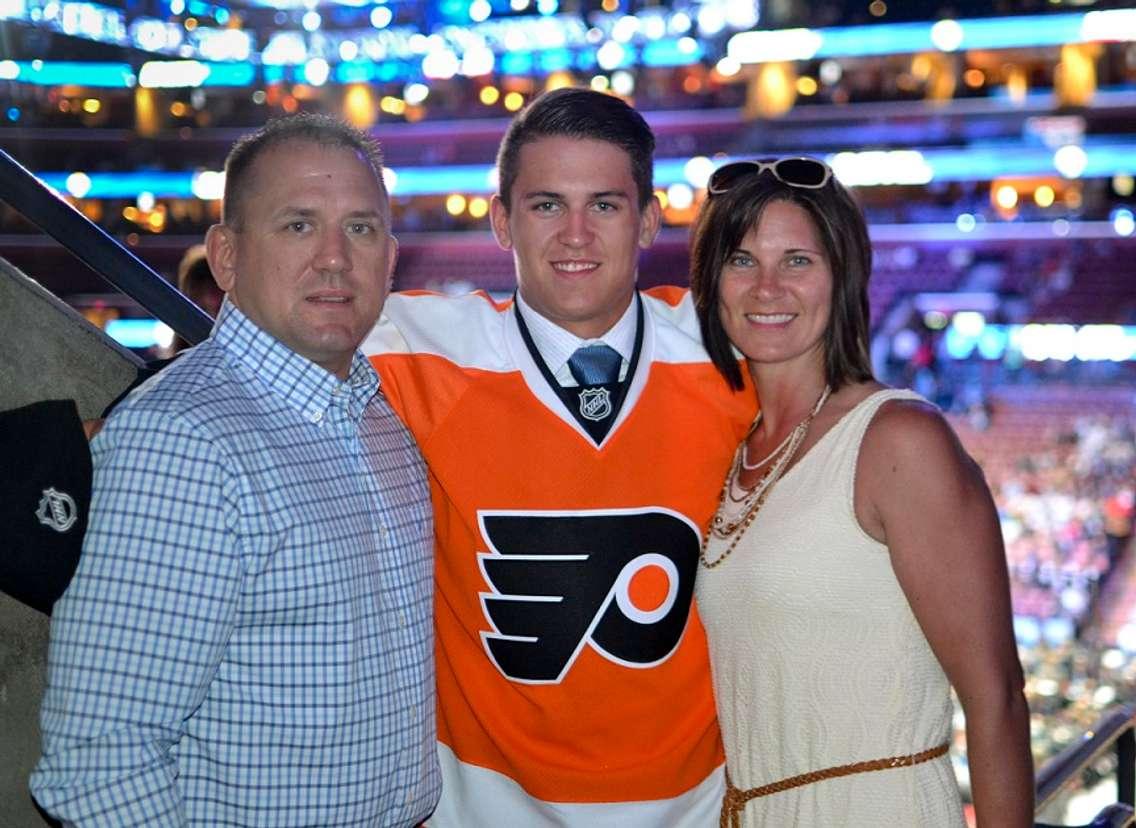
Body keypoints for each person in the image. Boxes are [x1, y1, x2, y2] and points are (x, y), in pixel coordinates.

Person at [29, 113, 441, 826]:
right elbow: (99, 761)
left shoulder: (378, 422)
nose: (336, 259)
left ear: (391, 257)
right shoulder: (184, 443)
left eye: (362, 228)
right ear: (225, 256)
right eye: (298, 226)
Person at [361, 87, 754, 824]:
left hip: (699, 807)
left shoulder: (734, 347)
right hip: (481, 810)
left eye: (604, 205)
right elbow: (268, 345)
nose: (575, 235)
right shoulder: (412, 345)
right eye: (546, 205)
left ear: (647, 221)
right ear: (501, 221)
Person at [688, 157, 1032, 826]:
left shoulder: (898, 439)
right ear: (711, 283)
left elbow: (996, 699)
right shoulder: (740, 452)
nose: (766, 287)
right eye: (740, 261)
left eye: (797, 261)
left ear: (843, 275)